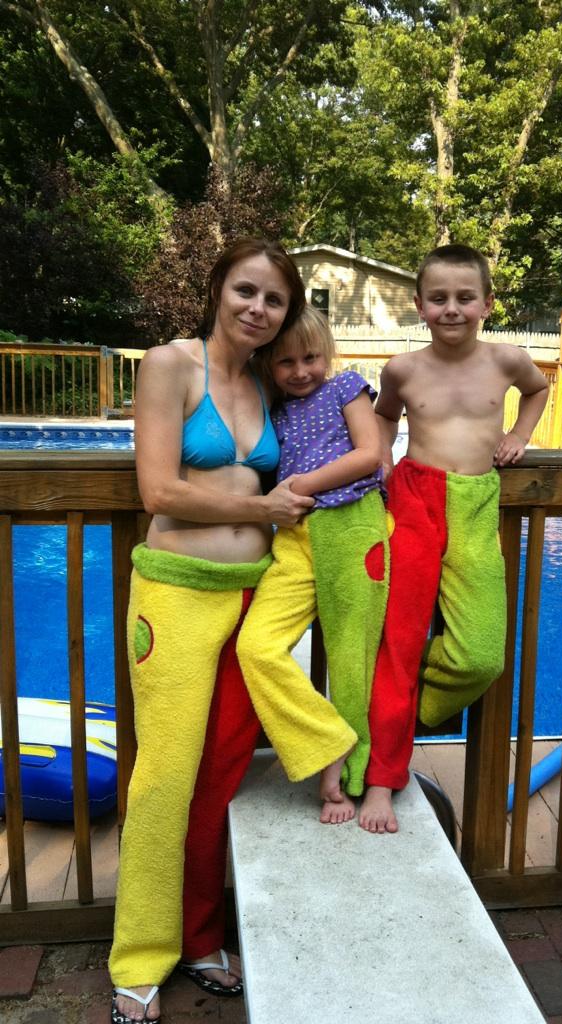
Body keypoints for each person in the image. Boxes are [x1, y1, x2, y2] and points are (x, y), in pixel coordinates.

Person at [110, 238, 319, 1024]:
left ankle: (200, 938)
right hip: (175, 596)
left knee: (220, 775)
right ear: (217, 290)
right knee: (164, 777)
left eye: (274, 300)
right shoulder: (170, 365)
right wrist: (260, 508)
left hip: (253, 599)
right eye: (246, 291)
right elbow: (159, 490)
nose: (258, 309)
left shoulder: (269, 381)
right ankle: (139, 959)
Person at [358, 243, 550, 834]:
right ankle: (381, 780)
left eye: (465, 297)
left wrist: (519, 433)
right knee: (398, 640)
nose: (451, 308)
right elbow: (385, 414)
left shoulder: (507, 360)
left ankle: (411, 706)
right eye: (438, 298)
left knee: (481, 654)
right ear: (419, 305)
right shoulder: (403, 369)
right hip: (413, 499)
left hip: (474, 504)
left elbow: (539, 390)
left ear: (487, 304)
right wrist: (383, 458)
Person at [236, 306, 389, 824]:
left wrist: (298, 486)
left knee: (351, 660)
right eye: (286, 362)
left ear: (327, 354)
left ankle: (347, 779)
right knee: (257, 647)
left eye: (310, 358)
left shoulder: (346, 387)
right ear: (269, 366)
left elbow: (369, 454)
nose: (301, 371)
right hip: (295, 538)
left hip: (352, 526)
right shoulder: (274, 411)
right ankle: (329, 740)